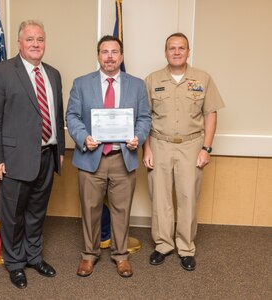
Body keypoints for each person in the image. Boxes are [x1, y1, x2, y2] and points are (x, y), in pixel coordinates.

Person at [0, 20, 65, 289]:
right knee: (13, 214)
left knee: (37, 212)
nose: (36, 44)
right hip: (14, 159)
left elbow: (56, 114)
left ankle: (34, 256)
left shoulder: (53, 73)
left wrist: (59, 149)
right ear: (19, 43)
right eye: (30, 39)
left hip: (46, 156)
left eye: (40, 39)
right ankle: (15, 263)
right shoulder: (1, 72)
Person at [66, 35, 151, 278]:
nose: (110, 57)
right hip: (91, 157)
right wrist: (83, 138)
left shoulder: (136, 85)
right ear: (98, 56)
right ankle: (89, 255)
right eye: (105, 52)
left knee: (121, 210)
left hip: (122, 157)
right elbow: (72, 116)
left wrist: (138, 136)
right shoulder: (81, 83)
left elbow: (145, 117)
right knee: (90, 209)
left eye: (115, 52)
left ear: (121, 56)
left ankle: (121, 255)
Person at [143, 32, 225, 271]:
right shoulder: (152, 80)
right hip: (159, 144)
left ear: (189, 52)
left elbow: (210, 113)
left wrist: (206, 148)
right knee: (160, 198)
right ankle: (163, 245)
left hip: (191, 145)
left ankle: (186, 247)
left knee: (188, 198)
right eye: (172, 48)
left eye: (181, 48)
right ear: (165, 52)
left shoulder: (203, 79)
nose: (176, 52)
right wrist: (146, 149)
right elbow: (144, 117)